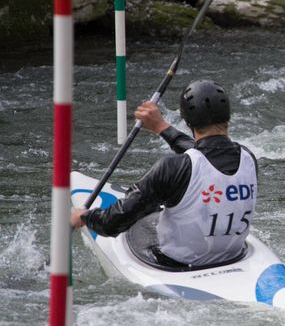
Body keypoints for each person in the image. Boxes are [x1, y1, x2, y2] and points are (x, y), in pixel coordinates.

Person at [70, 80, 259, 267]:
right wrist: (162, 127)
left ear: (188, 122)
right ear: (227, 118)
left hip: (179, 264)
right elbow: (206, 155)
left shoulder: (171, 168)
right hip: (232, 257)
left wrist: (86, 217)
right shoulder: (249, 159)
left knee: (148, 213)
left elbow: (112, 223)